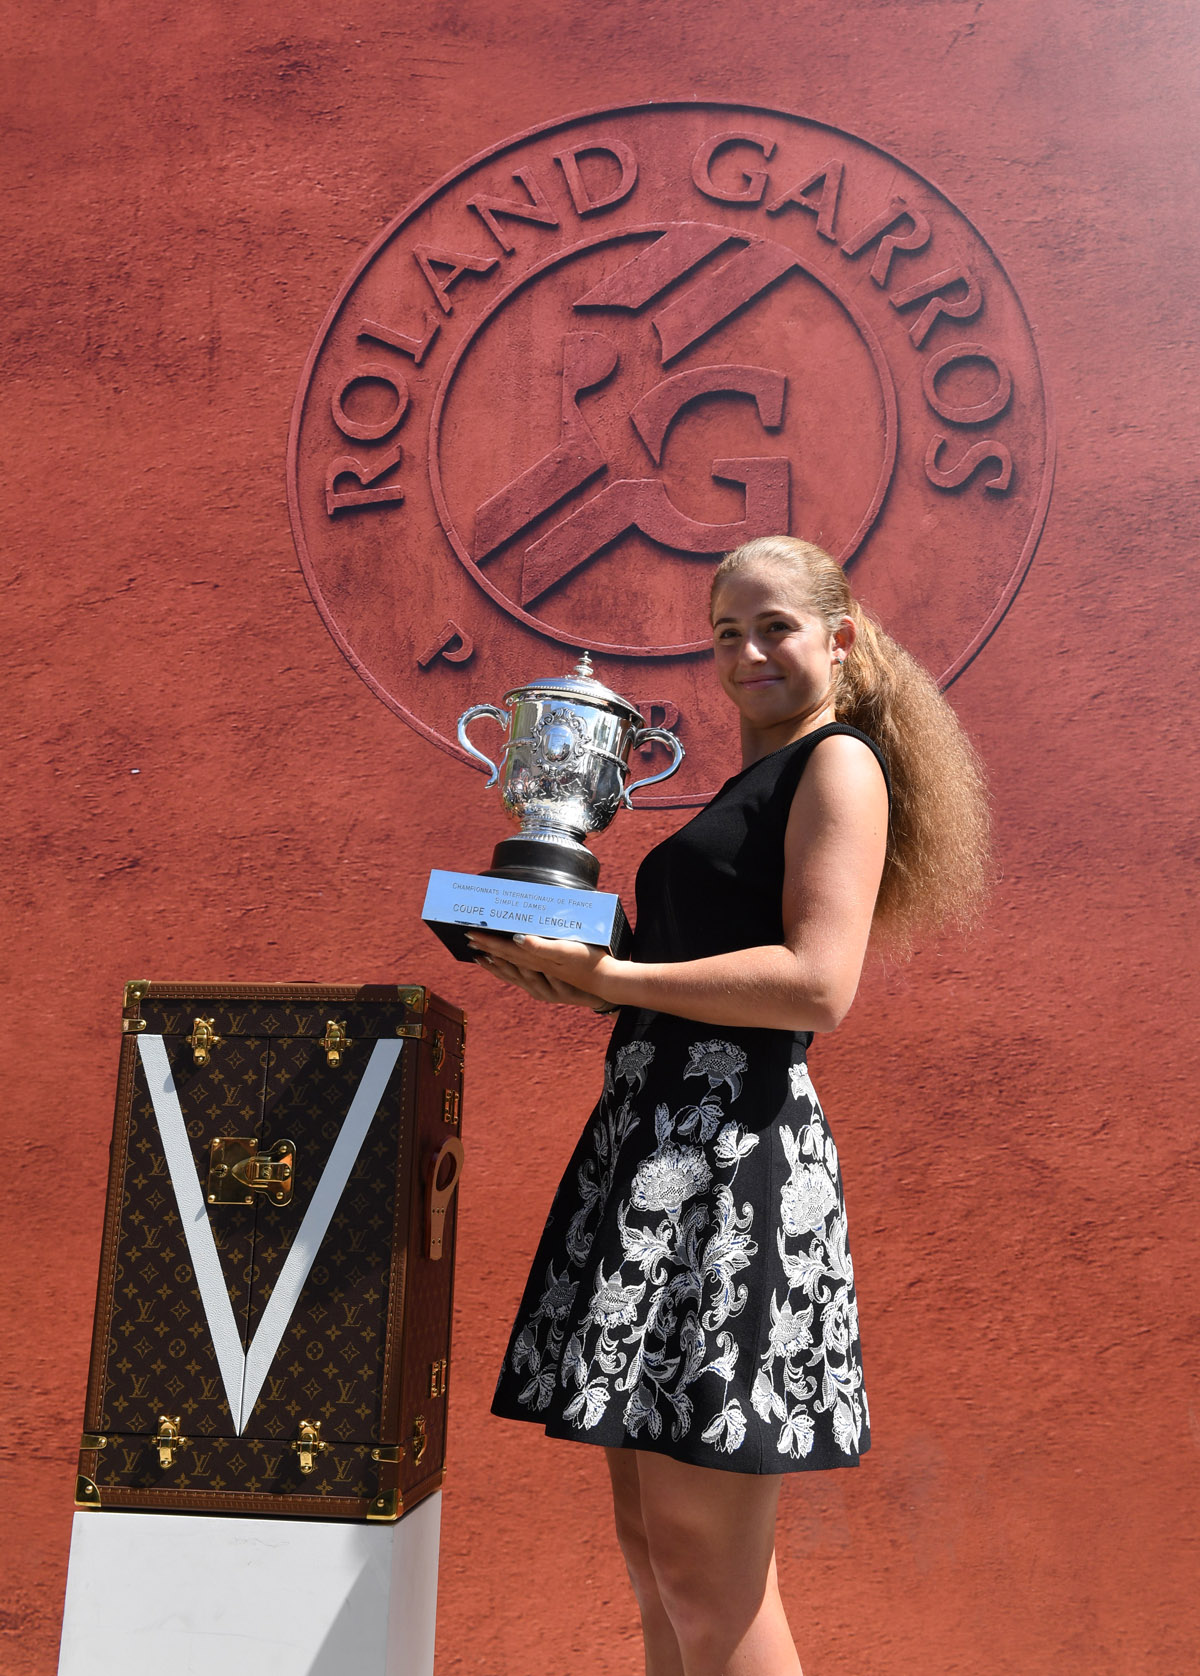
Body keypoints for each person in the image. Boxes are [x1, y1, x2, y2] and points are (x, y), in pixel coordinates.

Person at [467, 535, 989, 1676]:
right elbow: (678, 974)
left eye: (774, 628)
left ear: (840, 640)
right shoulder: (756, 779)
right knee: (658, 1557)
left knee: (710, 1584)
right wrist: (569, 969)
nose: (748, 653)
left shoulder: (837, 765)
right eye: (726, 634)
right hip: (652, 1154)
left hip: (730, 1172)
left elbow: (818, 984)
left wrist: (617, 978)